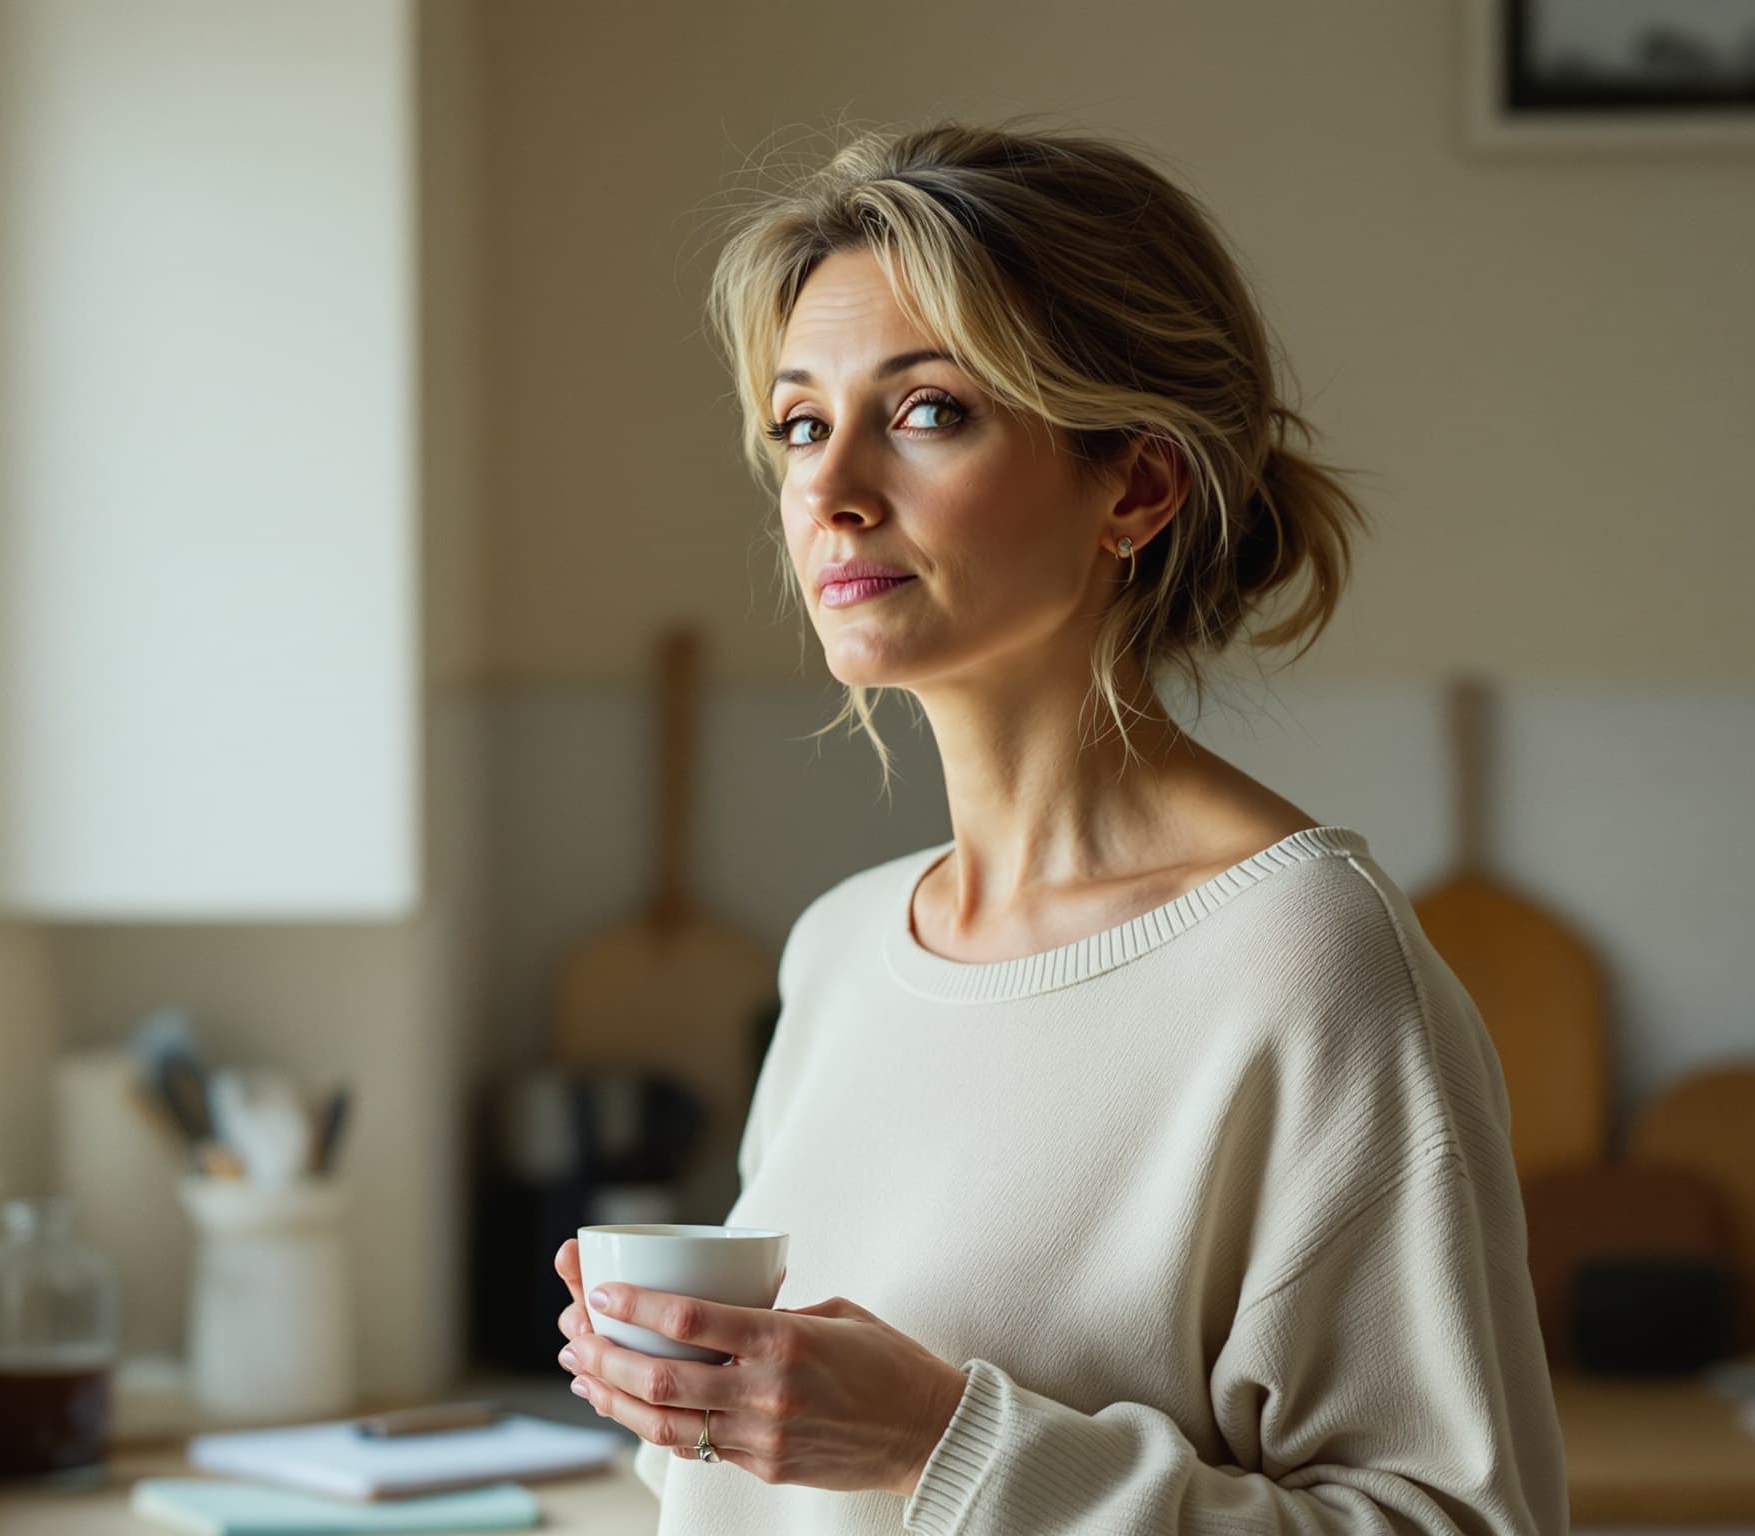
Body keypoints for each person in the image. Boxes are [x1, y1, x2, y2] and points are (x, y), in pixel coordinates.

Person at [546, 121, 1566, 1535]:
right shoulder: (840, 950)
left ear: (1135, 486)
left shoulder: (1306, 966)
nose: (829, 491)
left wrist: (938, 1442)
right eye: (800, 424)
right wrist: (693, 1407)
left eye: (925, 412)